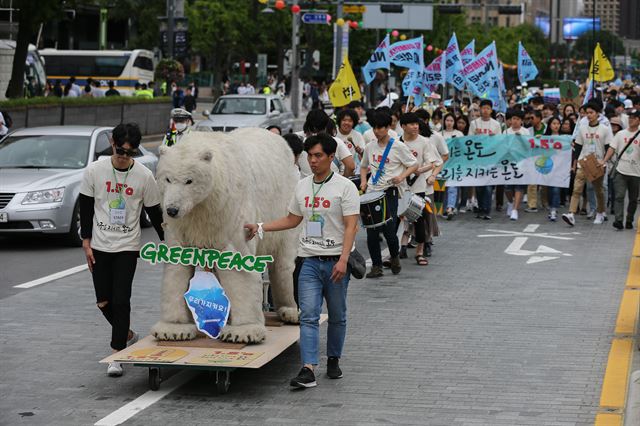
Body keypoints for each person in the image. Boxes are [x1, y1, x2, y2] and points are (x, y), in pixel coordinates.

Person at [244, 133, 360, 389]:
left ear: (332, 157)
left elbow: (352, 226)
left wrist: (343, 259)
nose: (313, 160)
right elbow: (291, 219)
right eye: (310, 155)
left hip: (336, 263)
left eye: (319, 155)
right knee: (308, 315)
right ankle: (308, 368)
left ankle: (333, 358)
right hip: (308, 261)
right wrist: (260, 227)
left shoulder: (345, 187)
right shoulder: (303, 185)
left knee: (338, 316)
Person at [79, 123, 164, 377]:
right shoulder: (95, 171)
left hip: (128, 246)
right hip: (100, 245)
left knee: (120, 299)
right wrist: (86, 240)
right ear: (112, 144)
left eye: (129, 152)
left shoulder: (144, 176)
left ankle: (116, 354)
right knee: (103, 302)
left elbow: (155, 214)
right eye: (120, 150)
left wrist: (168, 245)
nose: (123, 156)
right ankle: (127, 335)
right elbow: (85, 206)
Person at [360, 110, 418, 278]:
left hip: (389, 192)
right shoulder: (370, 146)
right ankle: (376, 266)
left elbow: (413, 165)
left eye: (380, 127)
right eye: (374, 128)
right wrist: (364, 181)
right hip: (371, 192)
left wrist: (401, 177)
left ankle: (394, 256)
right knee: (371, 231)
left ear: (387, 127)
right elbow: (364, 166)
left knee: (389, 229)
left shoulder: (398, 146)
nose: (377, 131)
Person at [399, 112, 442, 264]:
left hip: (418, 186)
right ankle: (398, 249)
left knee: (419, 219)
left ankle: (420, 251)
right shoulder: (397, 142)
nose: (415, 126)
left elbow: (433, 162)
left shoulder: (424, 142)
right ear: (403, 126)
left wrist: (420, 171)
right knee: (398, 219)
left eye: (416, 123)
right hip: (400, 187)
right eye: (411, 124)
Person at [562, 102, 614, 226]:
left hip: (597, 164)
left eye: (591, 113)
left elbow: (609, 148)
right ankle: (571, 214)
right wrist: (574, 165)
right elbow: (578, 147)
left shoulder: (605, 129)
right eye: (587, 113)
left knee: (598, 190)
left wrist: (604, 162)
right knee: (577, 189)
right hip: (583, 163)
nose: (589, 115)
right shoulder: (582, 128)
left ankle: (600, 213)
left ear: (598, 114)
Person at [601, 110, 640, 230]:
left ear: (638, 120)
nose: (630, 120)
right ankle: (618, 220)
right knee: (619, 196)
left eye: (633, 118)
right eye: (630, 118)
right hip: (620, 170)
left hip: (636, 172)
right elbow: (612, 148)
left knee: (633, 199)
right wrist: (604, 160)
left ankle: (629, 219)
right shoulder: (620, 134)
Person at [298, 110, 355, 178]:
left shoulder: (299, 144)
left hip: (306, 186)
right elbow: (351, 166)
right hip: (332, 185)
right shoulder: (336, 142)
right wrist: (342, 180)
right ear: (326, 125)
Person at [469, 99, 501, 220]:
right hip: (478, 158)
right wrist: (475, 136)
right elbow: (468, 141)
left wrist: (494, 138)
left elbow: (500, 142)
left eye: (488, 108)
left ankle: (486, 209)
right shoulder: (474, 124)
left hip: (490, 159)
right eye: (483, 108)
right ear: (480, 109)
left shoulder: (496, 125)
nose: (485, 110)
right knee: (479, 186)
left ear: (491, 110)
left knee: (488, 186)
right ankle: (480, 207)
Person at [503, 110, 531, 221]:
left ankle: (515, 209)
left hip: (521, 163)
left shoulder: (526, 132)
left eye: (518, 119)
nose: (515, 121)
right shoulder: (506, 132)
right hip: (509, 163)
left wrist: (521, 139)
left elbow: (529, 147)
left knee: (519, 186)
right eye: (513, 119)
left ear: (521, 121)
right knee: (507, 187)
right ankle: (510, 202)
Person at [544, 116, 564, 221]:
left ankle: (553, 209)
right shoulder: (545, 138)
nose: (556, 126)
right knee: (550, 189)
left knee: (556, 188)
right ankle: (551, 205)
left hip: (560, 167)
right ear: (550, 125)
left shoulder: (564, 138)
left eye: (558, 123)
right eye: (554, 123)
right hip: (547, 166)